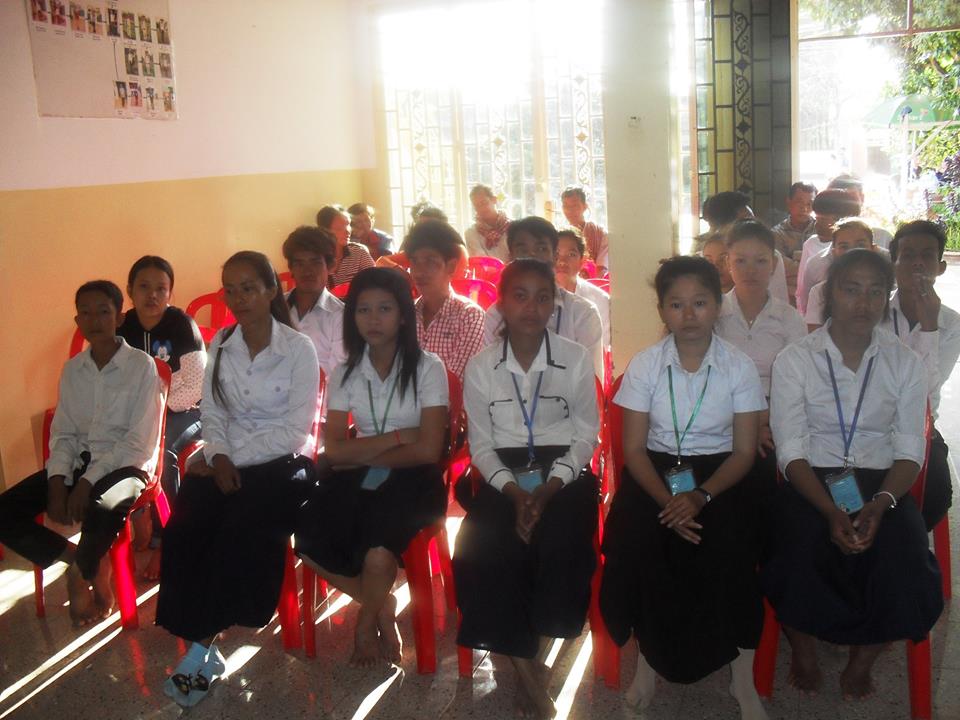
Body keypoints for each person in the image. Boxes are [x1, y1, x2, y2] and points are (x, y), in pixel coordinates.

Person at [762, 249, 943, 700]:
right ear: (828, 296)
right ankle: (802, 647)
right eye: (851, 289)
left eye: (876, 291)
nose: (864, 303)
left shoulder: (904, 363)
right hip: (811, 478)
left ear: (887, 298)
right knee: (794, 547)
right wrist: (827, 510)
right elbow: (791, 451)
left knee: (903, 556)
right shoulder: (796, 360)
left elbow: (908, 450)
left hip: (883, 482)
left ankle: (864, 657)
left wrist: (881, 505)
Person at [599, 256, 768, 719]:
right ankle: (649, 664)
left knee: (732, 546)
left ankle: (742, 677)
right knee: (636, 543)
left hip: (722, 475)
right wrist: (668, 502)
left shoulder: (738, 366)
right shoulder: (646, 366)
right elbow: (633, 450)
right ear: (661, 311)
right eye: (676, 304)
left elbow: (744, 452)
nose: (688, 314)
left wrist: (699, 497)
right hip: (655, 473)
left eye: (700, 303)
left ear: (718, 308)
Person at [156, 252, 318, 707]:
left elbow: (295, 430)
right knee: (186, 528)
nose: (238, 298)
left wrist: (231, 460)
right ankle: (199, 644)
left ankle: (208, 640)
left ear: (271, 291)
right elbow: (213, 412)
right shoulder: (223, 343)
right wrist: (219, 454)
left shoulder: (297, 349)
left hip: (281, 464)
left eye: (249, 287)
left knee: (238, 527)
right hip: (224, 458)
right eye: (230, 289)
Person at [454, 258, 600, 720]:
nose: (532, 307)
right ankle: (525, 666)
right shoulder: (481, 367)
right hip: (503, 473)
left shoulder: (574, 358)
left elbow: (585, 436)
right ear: (501, 302)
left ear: (554, 304)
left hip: (563, 473)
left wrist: (551, 487)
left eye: (543, 297)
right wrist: (516, 494)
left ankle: (525, 657)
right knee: (479, 547)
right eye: (520, 295)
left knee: (562, 542)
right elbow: (480, 445)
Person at [295, 268, 449, 668]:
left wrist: (359, 451)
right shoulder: (346, 371)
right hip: (361, 473)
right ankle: (381, 602)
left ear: (403, 315)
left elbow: (429, 449)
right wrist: (398, 438)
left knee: (379, 553)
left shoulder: (428, 368)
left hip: (414, 479)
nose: (373, 319)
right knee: (306, 538)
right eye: (363, 310)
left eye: (385, 308)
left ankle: (366, 624)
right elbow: (333, 449)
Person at [0, 281, 162, 626]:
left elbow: (138, 443)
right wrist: (58, 479)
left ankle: (82, 573)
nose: (95, 320)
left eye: (104, 311)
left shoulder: (141, 367)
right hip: (78, 462)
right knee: (4, 511)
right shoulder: (74, 369)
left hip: (127, 466)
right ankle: (78, 561)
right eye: (85, 313)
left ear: (119, 317)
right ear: (77, 321)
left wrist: (86, 483)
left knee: (103, 504)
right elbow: (64, 432)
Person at [118, 256, 206, 581]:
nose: (152, 295)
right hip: (141, 414)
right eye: (143, 287)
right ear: (130, 290)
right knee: (119, 442)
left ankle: (171, 537)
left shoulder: (181, 325)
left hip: (187, 412)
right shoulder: (122, 327)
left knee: (162, 448)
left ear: (170, 293)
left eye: (161, 288)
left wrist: (154, 409)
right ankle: (141, 513)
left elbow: (195, 387)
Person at [880, 220, 960, 530]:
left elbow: (924, 389)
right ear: (893, 263)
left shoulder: (950, 324)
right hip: (872, 424)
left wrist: (929, 328)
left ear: (940, 267)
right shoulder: (876, 313)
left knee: (937, 493)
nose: (916, 263)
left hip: (921, 428)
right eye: (907, 254)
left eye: (926, 256)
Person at [482, 217, 604, 380]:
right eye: (523, 250)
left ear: (554, 256)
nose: (532, 256)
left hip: (566, 403)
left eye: (541, 248)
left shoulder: (582, 313)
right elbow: (491, 376)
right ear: (511, 257)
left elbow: (590, 382)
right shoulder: (496, 315)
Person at [406, 221, 485, 380]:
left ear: (450, 266)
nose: (419, 272)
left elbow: (456, 381)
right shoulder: (405, 315)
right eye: (414, 262)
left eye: (430, 261)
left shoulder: (469, 316)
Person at [282, 226, 347, 380]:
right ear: (291, 268)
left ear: (330, 266)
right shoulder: (275, 307)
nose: (307, 271)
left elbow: (338, 377)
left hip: (320, 399)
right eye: (299, 263)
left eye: (315, 262)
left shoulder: (340, 316)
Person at [795, 189, 861, 315]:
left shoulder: (878, 251)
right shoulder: (814, 258)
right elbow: (803, 299)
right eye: (816, 218)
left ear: (841, 221)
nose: (816, 225)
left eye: (822, 219)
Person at [803, 219, 876, 330]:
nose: (852, 252)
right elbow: (814, 339)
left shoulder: (883, 291)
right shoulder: (820, 292)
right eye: (844, 247)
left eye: (860, 245)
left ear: (873, 249)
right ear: (834, 253)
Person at [555, 228, 610, 349]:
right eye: (556, 254)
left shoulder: (600, 300)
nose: (562, 261)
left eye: (571, 255)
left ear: (582, 261)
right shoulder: (538, 300)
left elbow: (603, 348)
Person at [827, 174, 893, 249]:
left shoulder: (883, 237)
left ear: (862, 198)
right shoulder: (818, 242)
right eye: (837, 200)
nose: (845, 204)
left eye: (851, 197)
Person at [317, 204, 375, 288]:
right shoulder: (315, 257)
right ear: (325, 231)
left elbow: (375, 281)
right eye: (339, 228)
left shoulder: (359, 252)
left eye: (348, 225)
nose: (348, 231)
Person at [560, 186, 609, 274]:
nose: (570, 210)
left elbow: (602, 268)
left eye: (575, 205)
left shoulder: (599, 233)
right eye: (566, 206)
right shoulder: (560, 235)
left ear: (585, 206)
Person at [464, 184, 511, 262]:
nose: (481, 208)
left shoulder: (512, 227)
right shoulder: (471, 233)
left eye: (484, 203)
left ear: (494, 200)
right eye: (476, 205)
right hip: (488, 274)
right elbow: (480, 261)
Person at [771, 182, 817, 259]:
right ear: (789, 202)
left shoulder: (820, 229)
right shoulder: (777, 233)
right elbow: (784, 266)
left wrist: (794, 255)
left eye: (809, 204)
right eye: (799, 202)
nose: (804, 209)